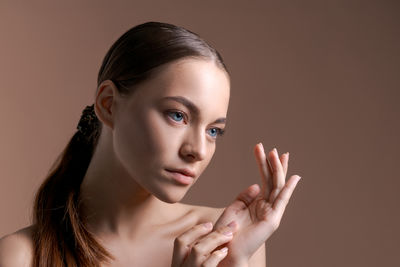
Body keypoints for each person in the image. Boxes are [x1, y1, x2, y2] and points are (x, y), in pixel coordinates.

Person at [0, 21, 301, 267]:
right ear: (107, 105)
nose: (197, 150)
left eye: (213, 131)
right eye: (177, 115)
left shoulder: (222, 240)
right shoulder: (22, 257)